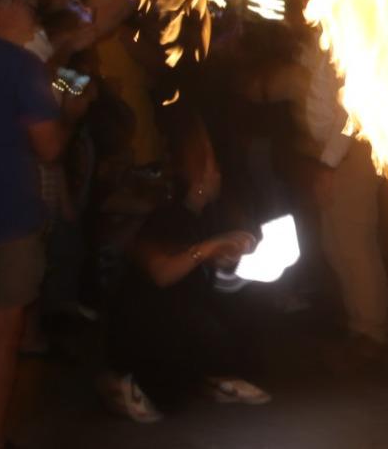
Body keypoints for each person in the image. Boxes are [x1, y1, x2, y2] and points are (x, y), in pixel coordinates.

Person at [0, 0, 86, 449]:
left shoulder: (11, 61)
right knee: (2, 328)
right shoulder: (22, 66)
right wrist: (72, 116)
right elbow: (50, 146)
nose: (37, 17)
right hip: (6, 206)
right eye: (32, 8)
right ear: (6, 7)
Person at [102, 110, 268, 421]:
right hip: (142, 328)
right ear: (200, 175)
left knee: (242, 313)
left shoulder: (205, 214)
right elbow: (162, 273)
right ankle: (123, 382)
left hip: (177, 321)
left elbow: (207, 273)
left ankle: (211, 377)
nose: (219, 173)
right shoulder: (163, 213)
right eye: (213, 164)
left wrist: (228, 256)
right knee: (175, 372)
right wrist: (207, 250)